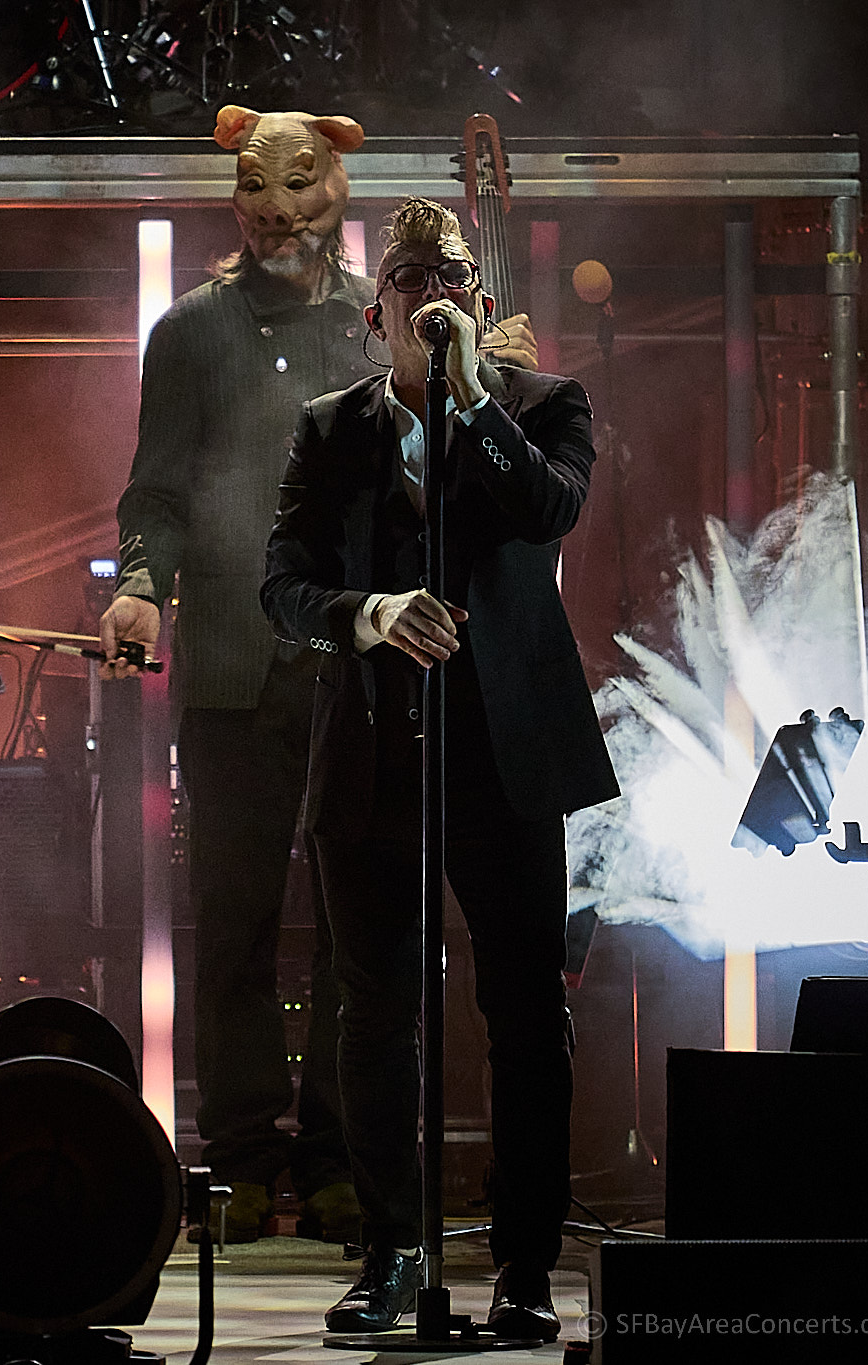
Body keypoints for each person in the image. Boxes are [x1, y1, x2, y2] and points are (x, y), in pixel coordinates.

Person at [100, 107, 537, 1245]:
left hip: (364, 668)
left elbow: (452, 476)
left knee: (363, 928)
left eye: (297, 188)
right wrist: (142, 580)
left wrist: (495, 388)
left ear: (338, 188)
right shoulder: (190, 333)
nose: (277, 210)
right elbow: (153, 490)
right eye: (256, 190)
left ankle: (347, 1159)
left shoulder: (381, 320)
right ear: (234, 197)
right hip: (234, 671)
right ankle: (241, 1159)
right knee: (232, 918)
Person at [261, 197, 618, 1339]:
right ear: (374, 315)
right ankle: (395, 1252)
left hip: (506, 757)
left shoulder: (544, 408)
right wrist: (365, 613)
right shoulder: (329, 430)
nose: (428, 293)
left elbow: (548, 508)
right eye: (408, 278)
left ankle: (520, 1265)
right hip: (371, 756)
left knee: (523, 1015)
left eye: (448, 276)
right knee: (374, 1016)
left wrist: (470, 398)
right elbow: (280, 587)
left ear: (481, 307)